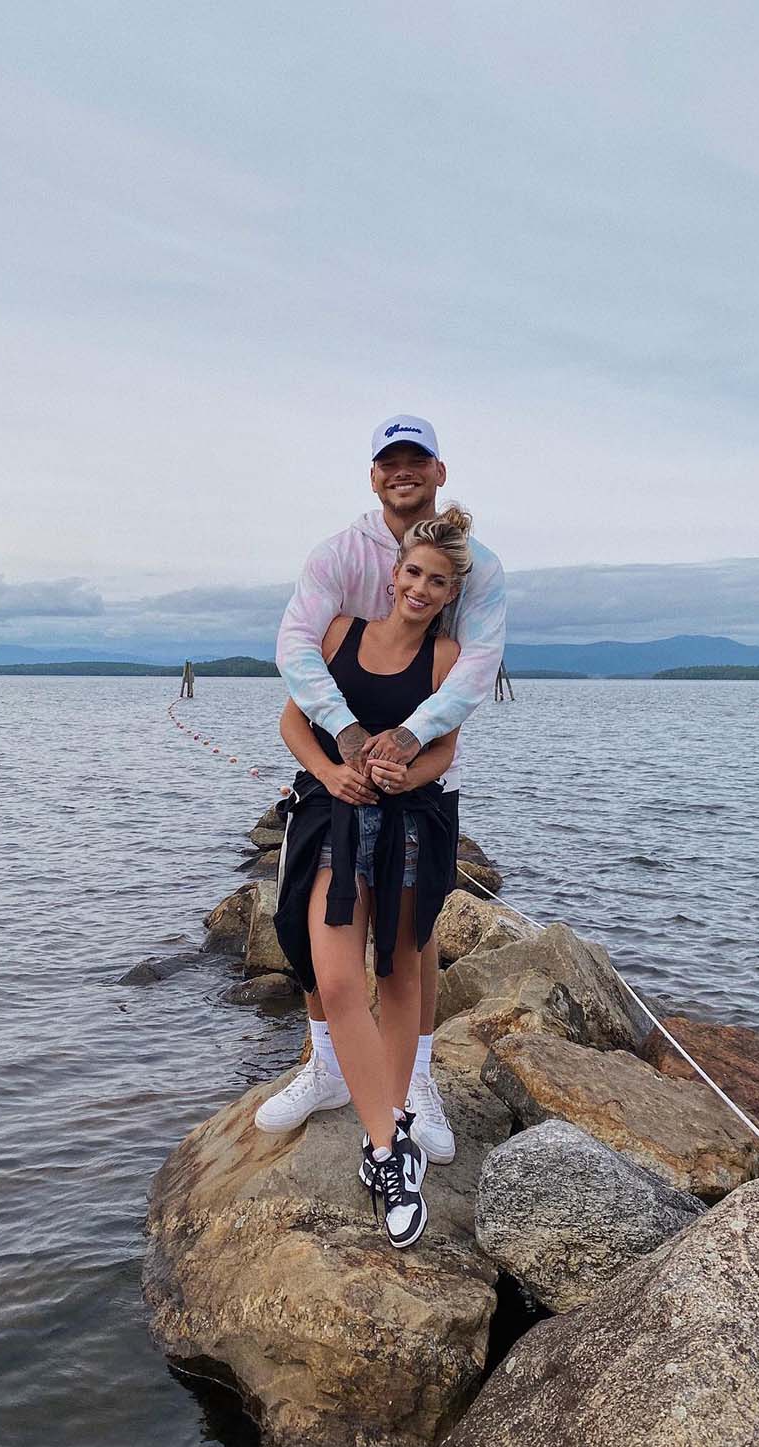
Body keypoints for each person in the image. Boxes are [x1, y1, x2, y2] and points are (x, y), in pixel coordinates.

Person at [256, 414, 506, 1162]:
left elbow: (476, 669)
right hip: (334, 785)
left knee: (411, 941)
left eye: (417, 459)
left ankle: (414, 1083)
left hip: (419, 791)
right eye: (389, 460)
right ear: (372, 475)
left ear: (439, 471)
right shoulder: (338, 556)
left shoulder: (478, 569)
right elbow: (296, 647)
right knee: (313, 934)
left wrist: (408, 740)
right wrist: (343, 738)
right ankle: (327, 1067)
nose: (403, 471)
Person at [270, 508, 474, 1247]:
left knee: (398, 971)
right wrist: (331, 774)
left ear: (450, 594)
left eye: (438, 581)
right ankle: (388, 1141)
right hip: (334, 818)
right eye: (413, 572)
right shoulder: (337, 636)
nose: (421, 588)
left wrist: (402, 775)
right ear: (393, 575)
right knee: (336, 980)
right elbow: (294, 723)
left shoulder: (447, 658)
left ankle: (388, 1144)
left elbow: (443, 750)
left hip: (408, 825)